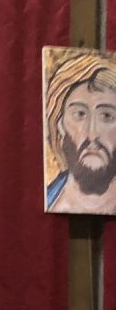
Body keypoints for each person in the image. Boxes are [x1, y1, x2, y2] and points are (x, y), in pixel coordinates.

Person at [44, 54, 116, 213]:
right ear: (59, 125)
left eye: (106, 116)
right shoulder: (50, 198)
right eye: (80, 114)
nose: (92, 134)